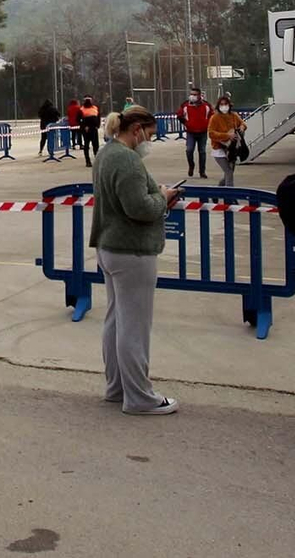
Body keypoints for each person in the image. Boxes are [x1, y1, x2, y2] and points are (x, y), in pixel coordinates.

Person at [91, 105, 182, 416]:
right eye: (151, 135)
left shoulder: (105, 154)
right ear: (137, 130)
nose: (150, 141)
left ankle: (117, 388)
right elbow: (139, 208)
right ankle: (140, 397)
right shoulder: (128, 160)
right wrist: (163, 198)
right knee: (135, 327)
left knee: (116, 321)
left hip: (109, 246)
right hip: (131, 250)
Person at [208, 95, 246, 187]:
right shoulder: (214, 118)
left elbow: (242, 123)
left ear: (229, 105)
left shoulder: (234, 115)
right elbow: (211, 133)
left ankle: (217, 191)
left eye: (226, 104)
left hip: (232, 149)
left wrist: (242, 127)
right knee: (229, 172)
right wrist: (227, 135)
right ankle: (230, 197)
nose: (224, 106)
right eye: (221, 104)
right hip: (219, 149)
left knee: (228, 173)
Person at [176, 87, 214, 179]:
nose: (192, 96)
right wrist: (186, 123)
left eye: (194, 94)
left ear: (199, 96)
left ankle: (202, 171)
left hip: (203, 132)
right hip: (191, 132)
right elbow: (179, 115)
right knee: (189, 150)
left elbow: (212, 116)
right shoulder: (185, 105)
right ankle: (191, 165)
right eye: (191, 94)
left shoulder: (206, 105)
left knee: (202, 152)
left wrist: (207, 124)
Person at [78, 97, 102, 167]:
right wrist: (84, 126)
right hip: (88, 129)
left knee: (92, 145)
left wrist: (97, 125)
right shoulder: (83, 109)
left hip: (91, 128)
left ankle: (91, 161)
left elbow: (98, 117)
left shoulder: (93, 108)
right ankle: (90, 161)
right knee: (91, 145)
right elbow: (78, 119)